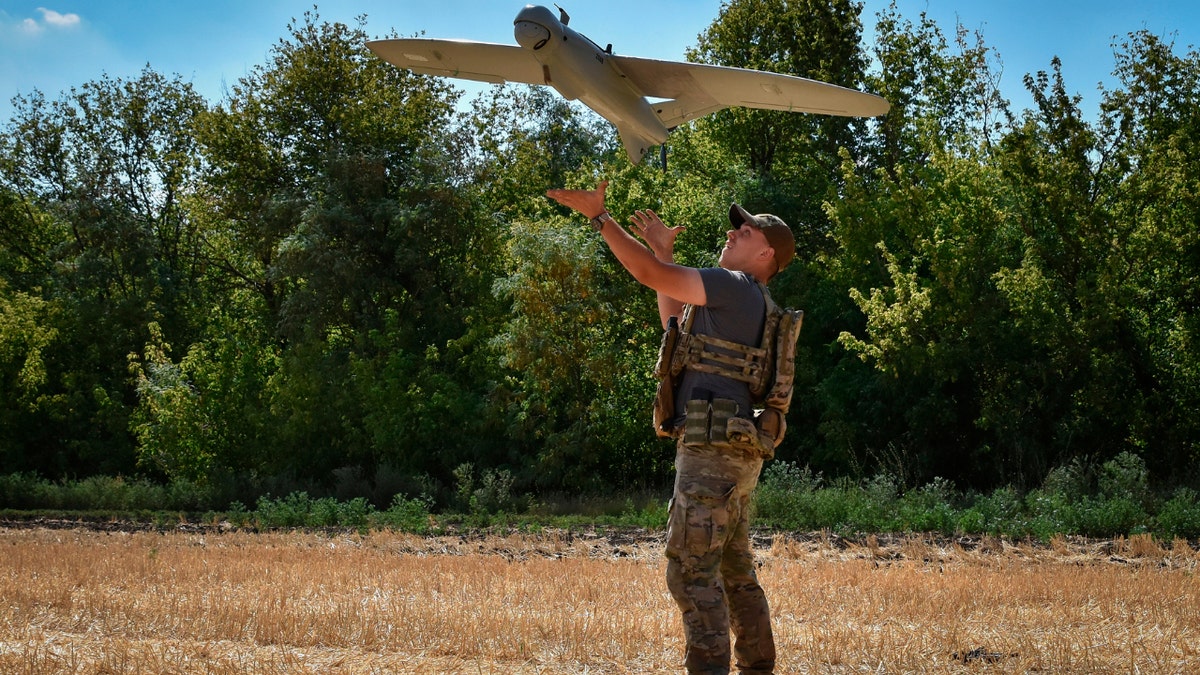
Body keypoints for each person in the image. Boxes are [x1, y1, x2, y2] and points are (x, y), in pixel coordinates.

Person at [546, 180, 795, 675]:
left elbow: (644, 272)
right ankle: (757, 668)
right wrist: (663, 252)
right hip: (736, 450)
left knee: (690, 571)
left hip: (710, 453)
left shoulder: (733, 287)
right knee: (734, 570)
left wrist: (600, 217)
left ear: (765, 252)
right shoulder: (752, 303)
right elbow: (674, 329)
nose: (732, 231)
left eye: (744, 231)